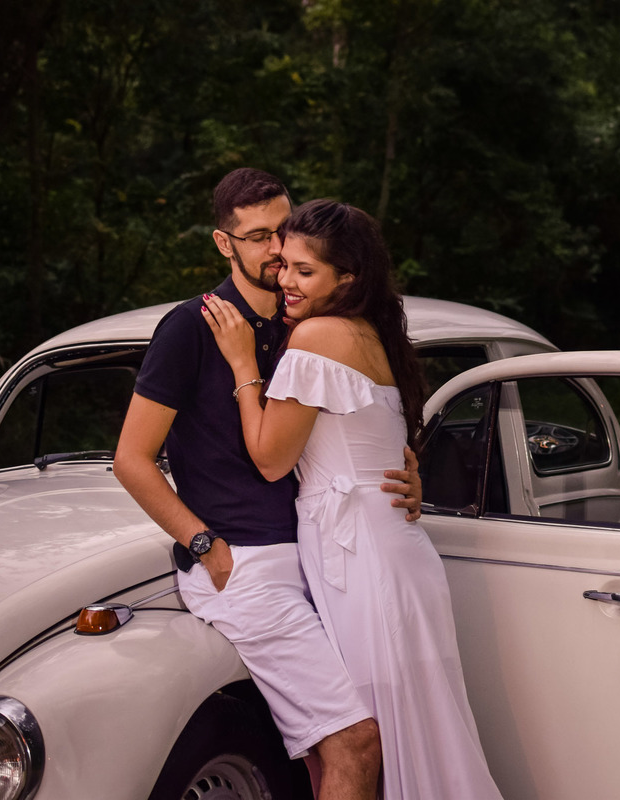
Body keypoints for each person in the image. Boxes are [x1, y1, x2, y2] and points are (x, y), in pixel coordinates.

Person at [114, 168, 424, 800]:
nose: (277, 250)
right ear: (223, 244)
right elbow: (132, 459)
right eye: (257, 237)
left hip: (324, 560)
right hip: (245, 566)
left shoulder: (302, 323)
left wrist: (407, 470)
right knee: (356, 741)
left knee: (330, 756)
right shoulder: (190, 327)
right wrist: (207, 547)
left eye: (284, 231)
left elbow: (352, 424)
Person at [201, 198, 504, 799]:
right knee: (416, 730)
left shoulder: (316, 335)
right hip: (383, 548)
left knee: (375, 732)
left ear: (348, 278)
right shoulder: (369, 332)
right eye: (283, 264)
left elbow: (270, 458)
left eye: (304, 272)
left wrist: (242, 365)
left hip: (362, 562)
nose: (286, 280)